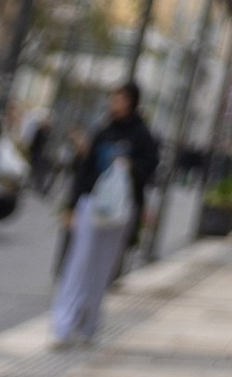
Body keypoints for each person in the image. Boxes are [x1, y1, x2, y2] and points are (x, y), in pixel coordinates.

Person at [50, 78, 161, 344]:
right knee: (78, 264)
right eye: (113, 97)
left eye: (120, 98)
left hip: (121, 209)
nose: (115, 103)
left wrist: (130, 167)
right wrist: (71, 205)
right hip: (92, 203)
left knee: (103, 267)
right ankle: (63, 325)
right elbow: (85, 170)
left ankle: (89, 325)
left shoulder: (142, 135)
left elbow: (150, 170)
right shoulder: (103, 130)